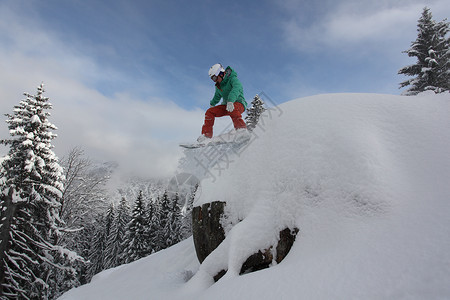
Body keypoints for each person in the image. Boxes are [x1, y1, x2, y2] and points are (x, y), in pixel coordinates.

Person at [198, 63, 248, 143]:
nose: (214, 80)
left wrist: (231, 101)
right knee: (209, 112)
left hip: (239, 103)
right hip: (226, 105)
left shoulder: (233, 79)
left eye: (214, 78)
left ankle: (242, 131)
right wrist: (212, 103)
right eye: (212, 79)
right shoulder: (218, 86)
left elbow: (236, 89)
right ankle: (206, 136)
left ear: (221, 73)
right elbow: (217, 96)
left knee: (233, 108)